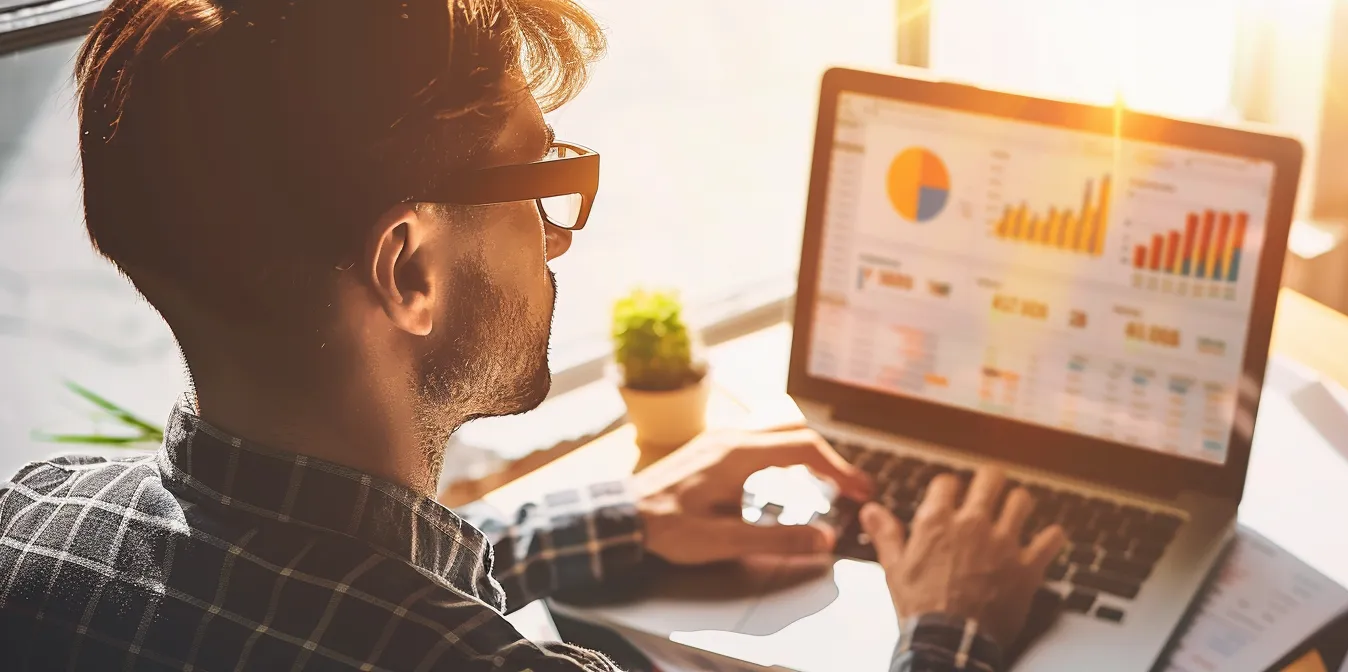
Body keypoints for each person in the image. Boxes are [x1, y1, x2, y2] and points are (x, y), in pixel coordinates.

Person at [0, 0, 1069, 669]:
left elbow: (300, 575)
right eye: (542, 181)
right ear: (410, 270)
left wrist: (590, 525)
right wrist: (952, 635)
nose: (557, 241)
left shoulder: (27, 525)